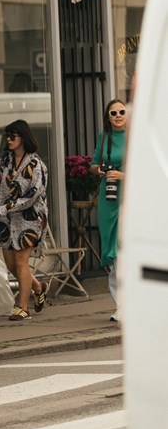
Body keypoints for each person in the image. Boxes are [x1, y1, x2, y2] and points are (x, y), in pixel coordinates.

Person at [0, 119, 49, 321]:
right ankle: (38, 288)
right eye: (7, 136)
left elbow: (32, 196)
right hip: (6, 220)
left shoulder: (36, 165)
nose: (8, 139)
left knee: (22, 262)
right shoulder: (4, 161)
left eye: (12, 135)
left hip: (28, 219)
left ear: (23, 137)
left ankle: (23, 308)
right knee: (11, 265)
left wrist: (3, 208)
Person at [90, 99, 126, 322]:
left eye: (122, 111)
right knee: (113, 257)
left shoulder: (135, 137)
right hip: (108, 198)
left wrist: (123, 175)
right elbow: (93, 164)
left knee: (122, 251)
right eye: (113, 113)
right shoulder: (104, 137)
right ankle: (121, 305)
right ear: (108, 117)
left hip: (129, 198)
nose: (118, 115)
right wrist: (100, 170)